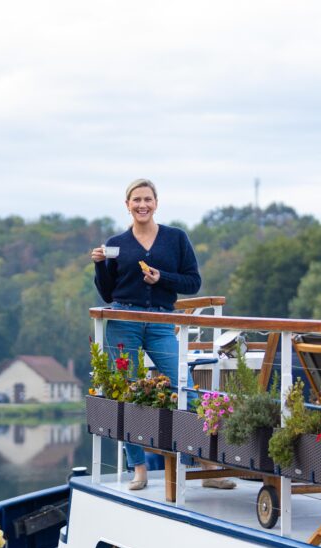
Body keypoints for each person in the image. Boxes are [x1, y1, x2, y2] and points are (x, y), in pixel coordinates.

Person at [90, 178, 235, 491]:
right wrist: (100, 266)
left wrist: (161, 278)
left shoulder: (175, 239)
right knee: (125, 393)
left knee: (185, 387)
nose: (142, 205)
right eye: (136, 200)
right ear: (127, 205)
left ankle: (207, 463)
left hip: (160, 323)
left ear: (156, 203)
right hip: (123, 321)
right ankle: (138, 469)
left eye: (147, 199)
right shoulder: (117, 243)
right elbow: (106, 293)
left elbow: (192, 282)